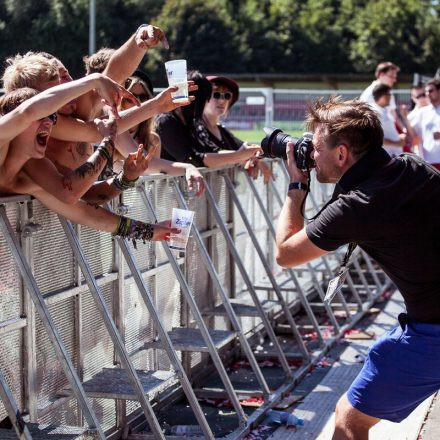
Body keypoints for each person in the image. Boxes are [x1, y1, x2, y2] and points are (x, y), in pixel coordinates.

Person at [275, 97, 440, 440]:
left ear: (341, 154)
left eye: (316, 148)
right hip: (427, 322)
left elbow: (286, 253)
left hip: (434, 331)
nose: (311, 156)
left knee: (349, 420)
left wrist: (296, 186)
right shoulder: (410, 166)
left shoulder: (357, 205)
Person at [0, 79, 178, 242]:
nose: (48, 123)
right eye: (41, 116)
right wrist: (95, 80)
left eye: (52, 117)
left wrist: (151, 231)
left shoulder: (34, 167)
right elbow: (26, 112)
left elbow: (83, 208)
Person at [157, 71, 261, 168]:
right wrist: (239, 156)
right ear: (193, 99)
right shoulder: (166, 122)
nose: (221, 100)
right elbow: (192, 159)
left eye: (227, 96)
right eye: (213, 96)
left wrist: (246, 155)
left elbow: (212, 151)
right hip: (165, 187)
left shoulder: (192, 123)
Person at [195, 75, 273, 182]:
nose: (222, 101)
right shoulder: (195, 128)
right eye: (216, 95)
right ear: (203, 98)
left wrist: (256, 159)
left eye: (227, 96)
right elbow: (206, 156)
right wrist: (242, 157)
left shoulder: (222, 130)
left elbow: (245, 148)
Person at [409, 79, 440, 170]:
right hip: (428, 163)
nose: (427, 94)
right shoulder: (422, 112)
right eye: (426, 91)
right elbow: (413, 135)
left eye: (431, 91)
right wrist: (404, 118)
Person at [370, 83, 407, 157]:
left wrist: (398, 137)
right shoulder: (375, 112)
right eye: (389, 94)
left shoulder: (385, 111)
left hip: (393, 156)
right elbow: (374, 139)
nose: (391, 97)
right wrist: (396, 143)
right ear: (382, 96)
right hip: (386, 158)